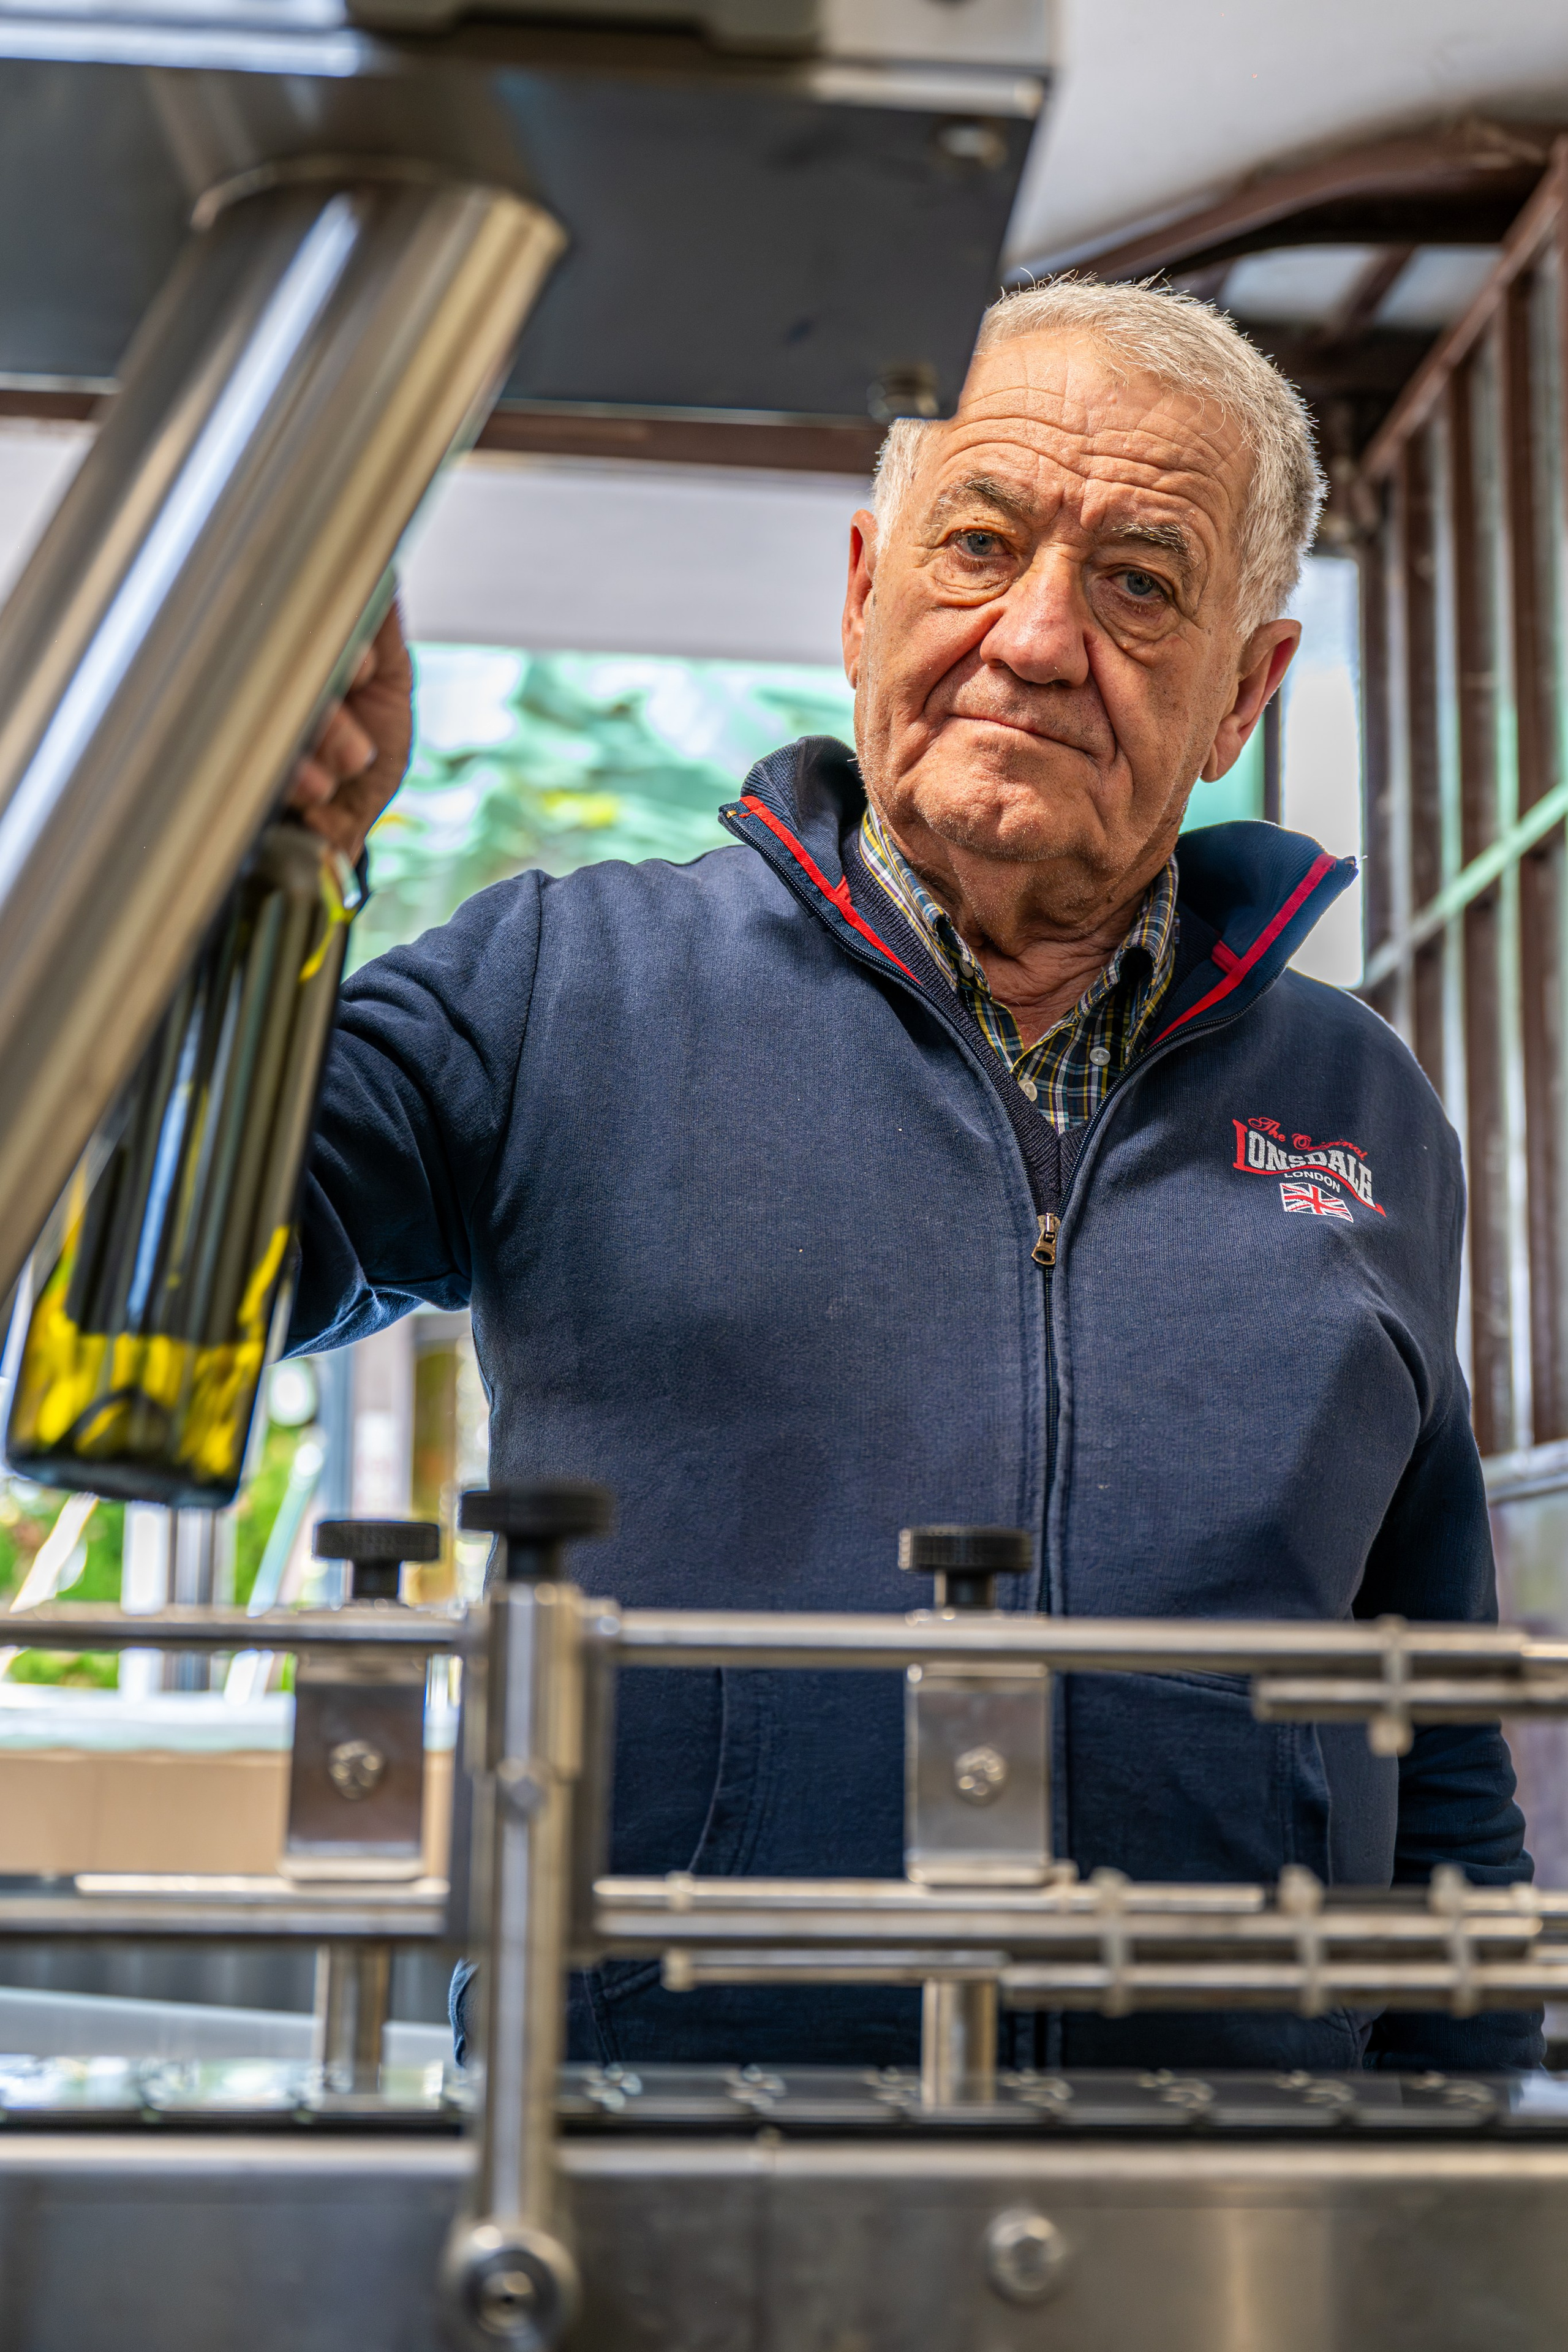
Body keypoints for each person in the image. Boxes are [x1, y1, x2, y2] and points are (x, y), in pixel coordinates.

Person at [290, 278, 1540, 2075]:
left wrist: (1462, 2171)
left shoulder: (1363, 1101)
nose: (1038, 637)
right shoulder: (556, 988)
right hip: (657, 2154)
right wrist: (252, 880)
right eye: (980, 544)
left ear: (1245, 693)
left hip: (1229, 2184)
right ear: (864, 593)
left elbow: (1440, 1737)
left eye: (1140, 584)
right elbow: (126, 1278)